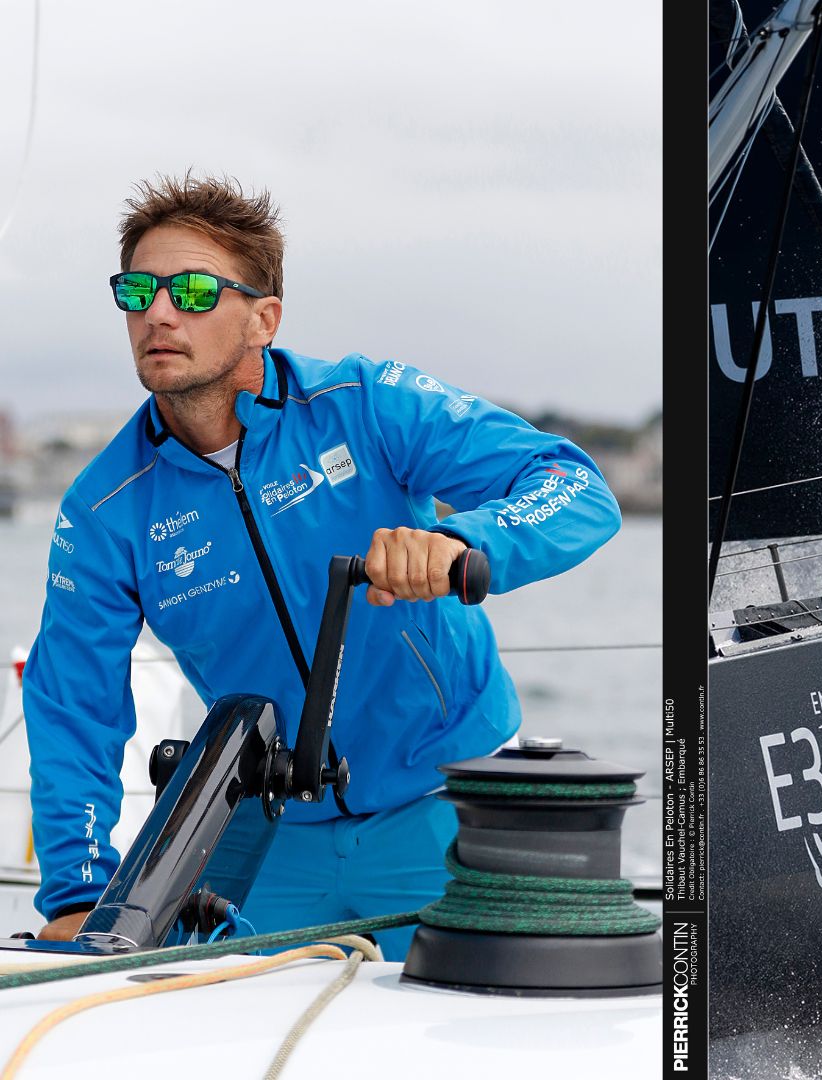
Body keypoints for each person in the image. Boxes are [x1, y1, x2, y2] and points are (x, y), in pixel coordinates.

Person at [25, 174, 621, 956]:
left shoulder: (366, 403)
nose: (159, 313)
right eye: (138, 291)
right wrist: (75, 892)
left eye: (196, 291)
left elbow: (577, 486)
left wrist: (465, 545)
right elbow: (75, 701)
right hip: (266, 840)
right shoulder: (105, 506)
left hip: (448, 805)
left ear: (263, 318)